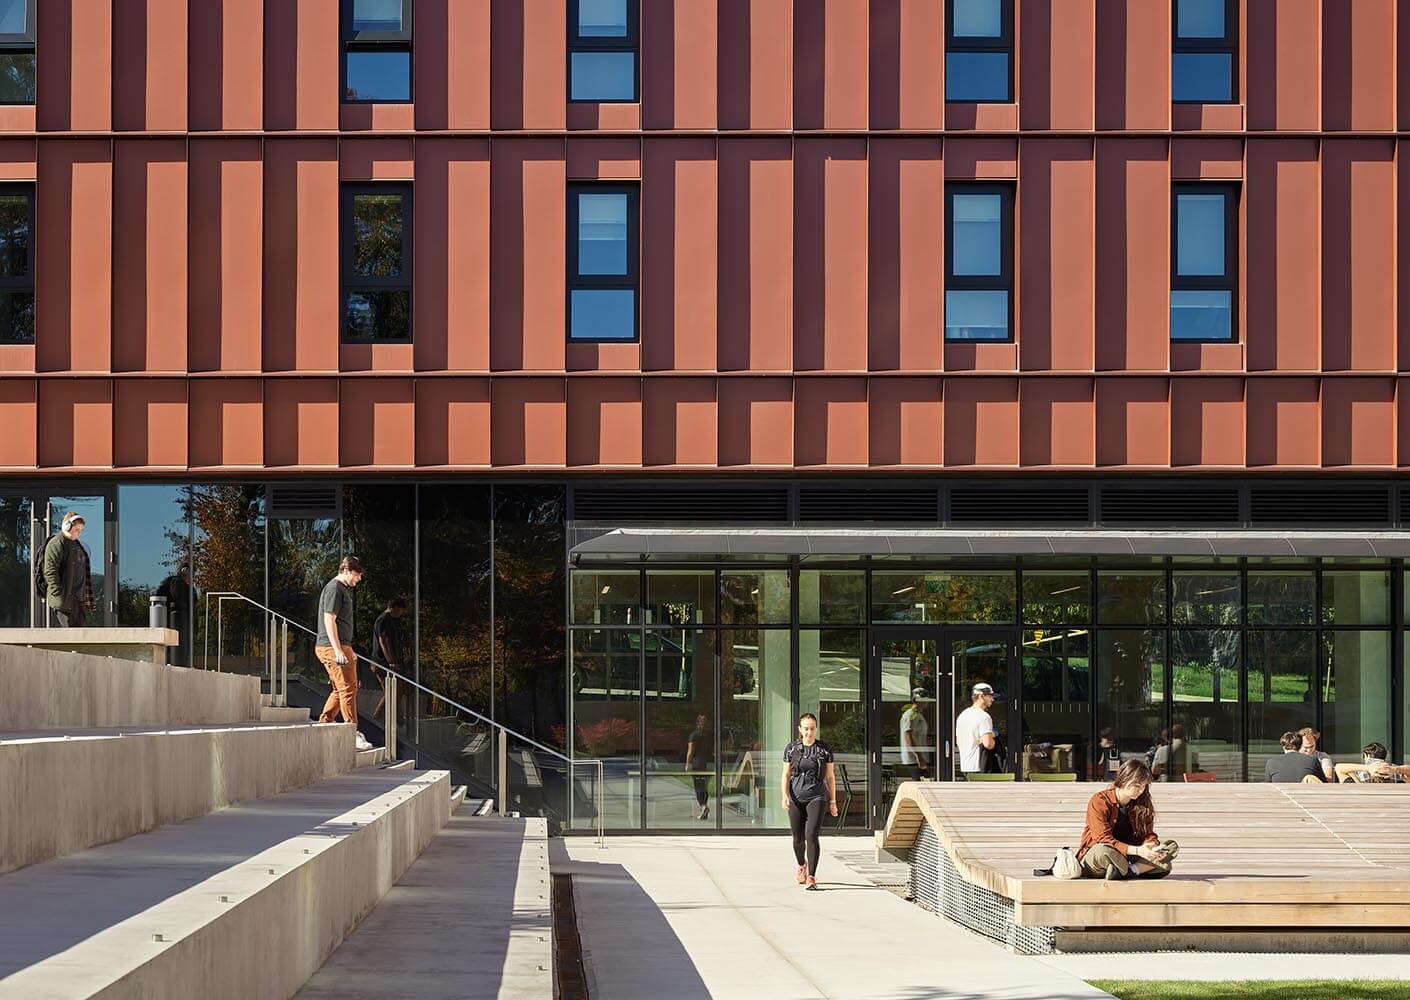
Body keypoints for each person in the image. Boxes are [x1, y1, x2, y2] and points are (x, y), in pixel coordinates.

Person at [1077, 760, 1174, 880]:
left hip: (1129, 855)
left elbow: (1148, 834)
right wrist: (1138, 851)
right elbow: (1102, 838)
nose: (1141, 791)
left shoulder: (1142, 803)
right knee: (1103, 851)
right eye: (1137, 786)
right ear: (1123, 780)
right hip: (1102, 854)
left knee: (1170, 849)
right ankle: (1135, 869)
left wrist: (1151, 846)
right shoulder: (1100, 801)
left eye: (1144, 786)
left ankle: (1126, 871)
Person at [316, 556, 372, 752]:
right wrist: (338, 649)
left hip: (342, 646)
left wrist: (348, 649)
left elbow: (339, 623)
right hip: (331, 647)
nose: (359, 579)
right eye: (357, 575)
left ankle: (325, 722)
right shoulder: (334, 589)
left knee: (342, 689)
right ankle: (352, 731)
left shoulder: (342, 590)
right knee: (347, 688)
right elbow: (329, 620)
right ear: (347, 570)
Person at [781, 713, 837, 890]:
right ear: (800, 729)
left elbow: (830, 777)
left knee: (811, 835)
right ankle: (801, 865)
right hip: (796, 798)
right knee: (798, 839)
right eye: (806, 728)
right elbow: (786, 774)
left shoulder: (824, 750)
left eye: (812, 728)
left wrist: (833, 801)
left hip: (817, 797)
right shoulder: (792, 749)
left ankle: (812, 876)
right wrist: (784, 795)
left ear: (816, 728)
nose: (809, 732)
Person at [41, 512, 93, 628]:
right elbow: (50, 571)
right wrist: (58, 594)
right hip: (65, 600)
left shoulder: (78, 546)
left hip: (79, 600)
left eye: (81, 530)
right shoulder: (57, 543)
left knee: (81, 637)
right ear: (67, 527)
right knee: (70, 636)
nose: (79, 533)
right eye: (76, 529)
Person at [369, 596, 407, 721]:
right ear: (396, 608)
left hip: (385, 662)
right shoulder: (384, 619)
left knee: (398, 690)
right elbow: (383, 641)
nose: (401, 614)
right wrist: (391, 662)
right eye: (401, 610)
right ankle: (376, 718)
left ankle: (397, 718)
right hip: (382, 662)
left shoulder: (387, 620)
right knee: (391, 692)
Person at [955, 682, 998, 778]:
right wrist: (994, 737)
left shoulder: (963, 715)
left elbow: (958, 741)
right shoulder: (984, 717)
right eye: (990, 696)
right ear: (982, 696)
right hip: (980, 766)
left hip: (966, 766)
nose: (992, 699)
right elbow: (988, 744)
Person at [155, 565, 191, 664]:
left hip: (174, 620)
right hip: (177, 620)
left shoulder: (173, 583)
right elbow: (178, 600)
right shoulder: (178, 583)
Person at [898, 689, 931, 780]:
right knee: (920, 786)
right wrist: (918, 757)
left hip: (921, 757)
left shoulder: (919, 714)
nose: (927, 701)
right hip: (914, 760)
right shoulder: (910, 715)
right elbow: (908, 736)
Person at [686, 714, 711, 821]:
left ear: (697, 723)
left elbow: (690, 751)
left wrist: (688, 763)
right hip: (707, 763)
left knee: (698, 787)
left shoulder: (694, 735)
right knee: (704, 786)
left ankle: (703, 807)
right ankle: (703, 808)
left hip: (697, 764)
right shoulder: (708, 735)